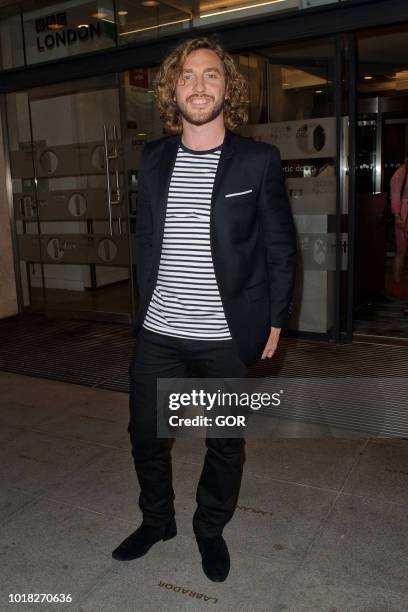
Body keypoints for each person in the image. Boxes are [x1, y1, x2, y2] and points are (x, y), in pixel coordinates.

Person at [112, 36, 297, 582]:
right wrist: (141, 313)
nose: (199, 85)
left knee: (224, 442)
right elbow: (146, 240)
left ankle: (209, 529)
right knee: (146, 434)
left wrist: (276, 318)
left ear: (227, 87)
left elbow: (280, 248)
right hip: (160, 331)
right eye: (188, 75)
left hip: (224, 335)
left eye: (211, 75)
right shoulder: (153, 156)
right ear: (173, 88)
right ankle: (157, 520)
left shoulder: (258, 160)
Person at [390, 157, 408, 299]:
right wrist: (397, 216)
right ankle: (396, 283)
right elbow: (395, 195)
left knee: (401, 251)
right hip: (404, 213)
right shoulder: (400, 173)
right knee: (401, 251)